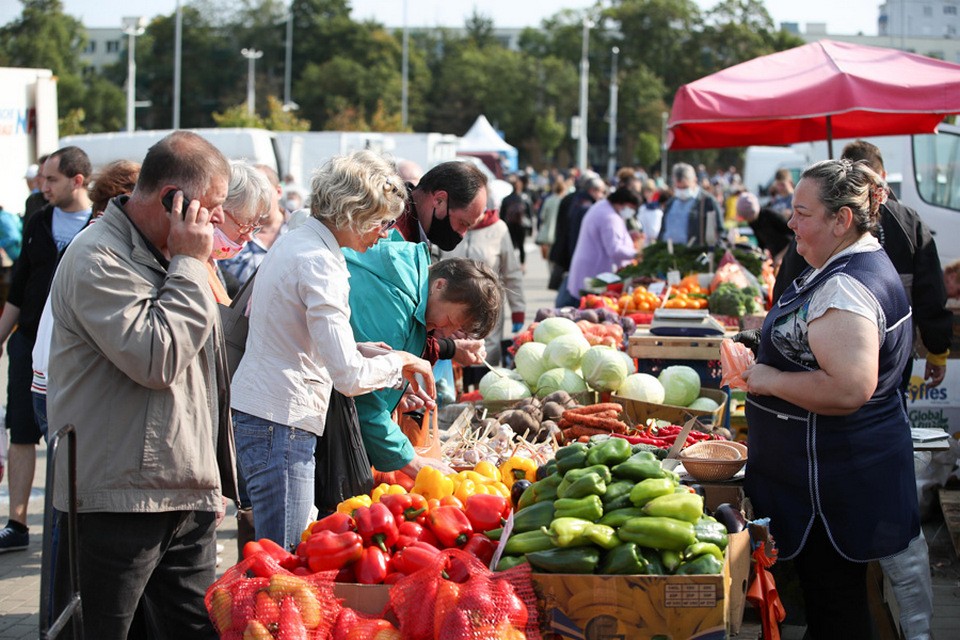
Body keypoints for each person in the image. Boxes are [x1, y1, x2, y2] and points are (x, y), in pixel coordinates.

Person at [46, 131, 236, 638]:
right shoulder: (98, 257)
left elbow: (207, 376)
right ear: (174, 198)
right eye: (213, 206)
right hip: (119, 498)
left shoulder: (170, 255)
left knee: (193, 630)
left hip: (181, 491)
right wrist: (192, 263)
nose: (217, 220)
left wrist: (212, 479)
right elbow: (157, 357)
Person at [742, 158, 919, 638]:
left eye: (802, 212)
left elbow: (847, 387)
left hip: (833, 488)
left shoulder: (844, 285)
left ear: (841, 220)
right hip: (841, 478)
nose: (790, 222)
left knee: (837, 609)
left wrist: (765, 380)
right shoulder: (849, 264)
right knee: (832, 605)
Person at [230, 151, 437, 550]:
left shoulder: (300, 240)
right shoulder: (320, 263)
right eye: (381, 222)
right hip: (282, 420)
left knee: (278, 548)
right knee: (284, 555)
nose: (385, 233)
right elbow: (349, 377)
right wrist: (399, 361)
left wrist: (359, 348)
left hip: (270, 414)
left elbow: (288, 330)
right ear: (352, 213)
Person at [0, 146, 93, 554]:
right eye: (41, 179)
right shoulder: (38, 220)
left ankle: (74, 521)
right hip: (28, 344)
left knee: (72, 437)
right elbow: (19, 286)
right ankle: (16, 524)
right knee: (20, 429)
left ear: (78, 180)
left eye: (51, 179)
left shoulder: (100, 224)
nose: (43, 186)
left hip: (74, 352)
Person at [345, 240, 503, 473]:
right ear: (439, 285)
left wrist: (399, 387)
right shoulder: (393, 304)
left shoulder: (410, 281)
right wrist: (411, 462)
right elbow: (364, 397)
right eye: (449, 321)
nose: (447, 333)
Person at [395, 159, 490, 368]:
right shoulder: (393, 232)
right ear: (439, 200)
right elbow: (394, 328)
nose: (462, 234)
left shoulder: (416, 228)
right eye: (463, 223)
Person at [439, 205, 525, 367]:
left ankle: (481, 388)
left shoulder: (498, 228)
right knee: (453, 355)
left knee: (484, 356)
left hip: (488, 307)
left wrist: (518, 309)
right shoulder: (449, 224)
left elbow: (512, 272)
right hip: (452, 307)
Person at [561, 188, 641, 308]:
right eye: (631, 208)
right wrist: (638, 254)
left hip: (588, 267)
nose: (631, 211)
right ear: (622, 203)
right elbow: (614, 249)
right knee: (584, 310)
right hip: (594, 271)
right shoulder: (609, 217)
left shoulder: (602, 207)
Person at [219, 164, 286, 287]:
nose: (248, 236)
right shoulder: (223, 235)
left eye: (263, 191)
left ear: (278, 191)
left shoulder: (299, 231)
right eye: (251, 193)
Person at [658, 162, 725, 248]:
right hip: (669, 254)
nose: (681, 191)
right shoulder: (671, 203)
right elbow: (663, 230)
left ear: (695, 180)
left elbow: (720, 232)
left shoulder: (707, 202)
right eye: (678, 187)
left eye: (685, 187)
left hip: (693, 255)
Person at [735, 191, 794, 269]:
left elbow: (794, 236)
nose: (746, 220)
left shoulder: (770, 215)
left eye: (747, 217)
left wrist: (780, 256)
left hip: (790, 253)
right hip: (775, 257)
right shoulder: (753, 223)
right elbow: (762, 244)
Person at [500, 173, 533, 268]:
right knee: (522, 246)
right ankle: (522, 265)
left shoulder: (506, 199)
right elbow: (529, 214)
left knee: (511, 246)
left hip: (509, 225)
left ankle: (511, 264)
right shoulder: (525, 198)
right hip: (522, 225)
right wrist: (531, 228)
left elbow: (502, 215)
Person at [535, 175, 570, 260]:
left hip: (548, 233)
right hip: (560, 234)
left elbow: (542, 216)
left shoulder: (548, 200)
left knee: (548, 258)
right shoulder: (565, 201)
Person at [22, 153, 50, 229]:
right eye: (37, 174)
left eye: (40, 175)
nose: (36, 179)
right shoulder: (33, 200)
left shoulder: (62, 203)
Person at [637, 179, 663, 247]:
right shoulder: (642, 208)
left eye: (649, 191)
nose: (647, 193)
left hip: (651, 243)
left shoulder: (658, 210)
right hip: (641, 241)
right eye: (645, 191)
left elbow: (654, 232)